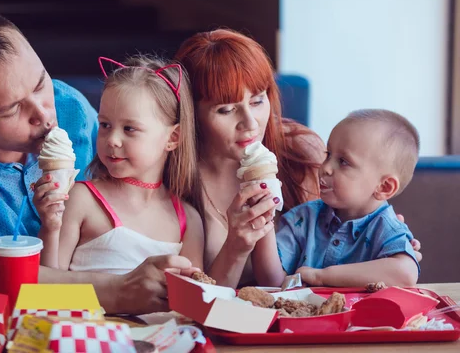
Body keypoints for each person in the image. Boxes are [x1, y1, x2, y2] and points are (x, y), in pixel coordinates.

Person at [0, 10, 196, 313]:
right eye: (11, 110)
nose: (45, 115)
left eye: (41, 83)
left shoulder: (72, 108)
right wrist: (117, 291)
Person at [174, 29, 422, 288]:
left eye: (258, 101)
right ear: (191, 113)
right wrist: (241, 243)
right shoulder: (173, 181)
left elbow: (337, 236)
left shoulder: (300, 151)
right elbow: (200, 299)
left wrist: (387, 252)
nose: (250, 123)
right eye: (226, 110)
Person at [34, 56, 204, 276]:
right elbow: (45, 289)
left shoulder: (188, 219)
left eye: (129, 129)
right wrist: (50, 227)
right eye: (105, 125)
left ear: (173, 137)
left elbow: (196, 295)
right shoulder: (81, 199)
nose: (112, 139)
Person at [253, 109, 420, 287]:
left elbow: (406, 273)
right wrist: (265, 220)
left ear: (384, 187)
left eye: (343, 162)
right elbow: (271, 282)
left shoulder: (387, 228)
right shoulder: (303, 218)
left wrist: (322, 277)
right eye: (328, 154)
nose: (325, 167)